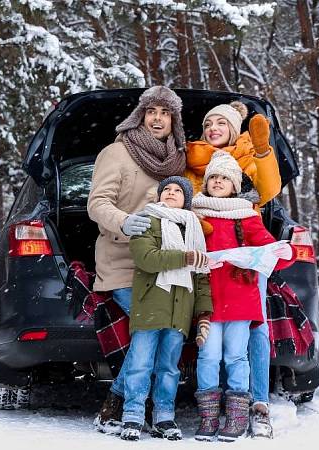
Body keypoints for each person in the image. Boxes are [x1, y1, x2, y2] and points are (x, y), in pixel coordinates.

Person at [87, 86, 187, 433]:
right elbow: (97, 203)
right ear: (140, 116)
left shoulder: (178, 159)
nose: (158, 118)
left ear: (174, 121)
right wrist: (124, 222)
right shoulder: (117, 153)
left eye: (165, 113)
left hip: (167, 264)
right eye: (152, 111)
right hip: (123, 259)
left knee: (161, 330)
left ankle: (118, 403)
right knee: (155, 326)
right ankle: (127, 406)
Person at [186, 101, 283, 438]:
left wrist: (262, 150)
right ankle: (210, 412)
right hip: (208, 281)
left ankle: (254, 405)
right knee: (210, 352)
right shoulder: (191, 163)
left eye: (221, 123)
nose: (214, 128)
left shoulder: (246, 159)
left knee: (250, 335)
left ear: (233, 128)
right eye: (209, 122)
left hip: (241, 275)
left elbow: (269, 190)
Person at [116, 176, 212, 441]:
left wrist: (204, 314)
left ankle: (164, 417)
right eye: (166, 189)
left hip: (181, 309)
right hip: (150, 305)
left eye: (178, 190)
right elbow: (146, 259)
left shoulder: (194, 230)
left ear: (187, 200)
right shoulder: (147, 221)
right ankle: (133, 416)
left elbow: (202, 275)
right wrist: (184, 257)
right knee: (140, 363)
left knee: (169, 367)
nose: (170, 193)